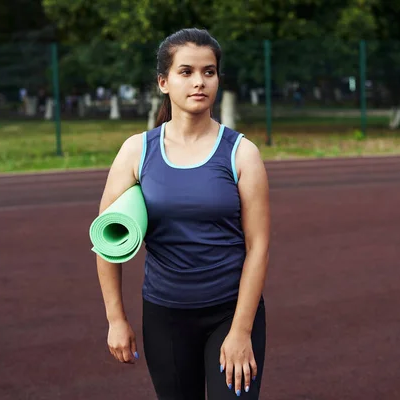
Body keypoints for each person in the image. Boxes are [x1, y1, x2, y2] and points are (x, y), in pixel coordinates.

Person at [95, 28, 270, 400]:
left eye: (209, 72)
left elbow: (259, 247)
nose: (199, 82)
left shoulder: (242, 153)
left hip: (230, 312)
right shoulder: (136, 152)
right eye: (186, 72)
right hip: (165, 317)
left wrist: (240, 330)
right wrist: (115, 319)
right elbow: (107, 242)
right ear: (163, 81)